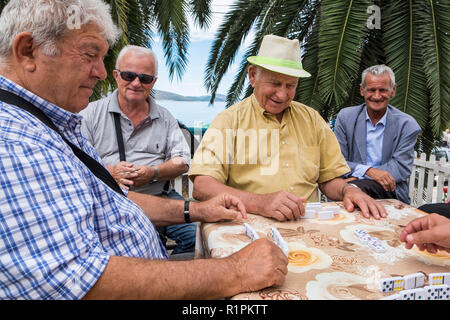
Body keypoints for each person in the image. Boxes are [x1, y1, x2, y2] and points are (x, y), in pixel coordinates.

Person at [0, 0, 288, 299]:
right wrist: (236, 271)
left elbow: (116, 198)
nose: (100, 72)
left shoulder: (53, 122)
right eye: (89, 55)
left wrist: (197, 208)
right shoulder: (16, 143)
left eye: (145, 78)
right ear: (27, 51)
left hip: (160, 200)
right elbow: (75, 281)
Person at [189, 35, 387, 221]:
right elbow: (202, 186)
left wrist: (348, 190)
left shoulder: (312, 119)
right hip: (250, 225)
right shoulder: (228, 122)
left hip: (308, 227)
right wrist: (260, 203)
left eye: (290, 85)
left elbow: (328, 180)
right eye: (275, 83)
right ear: (252, 76)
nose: (282, 95)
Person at [80, 45, 195, 256]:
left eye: (145, 78)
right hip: (111, 201)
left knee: (197, 238)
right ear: (116, 75)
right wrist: (110, 173)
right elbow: (76, 162)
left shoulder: (165, 117)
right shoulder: (90, 113)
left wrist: (153, 173)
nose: (136, 83)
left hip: (162, 197)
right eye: (129, 75)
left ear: (154, 82)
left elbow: (183, 161)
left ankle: (169, 274)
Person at [334, 65, 421, 204]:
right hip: (351, 188)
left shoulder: (407, 125)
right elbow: (337, 161)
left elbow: (400, 168)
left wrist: (359, 178)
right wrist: (368, 171)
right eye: (371, 90)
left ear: (393, 90)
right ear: (362, 90)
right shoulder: (346, 118)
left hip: (389, 192)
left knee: (352, 189)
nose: (377, 96)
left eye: (383, 90)